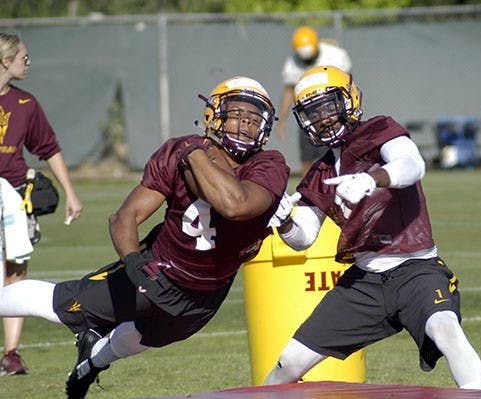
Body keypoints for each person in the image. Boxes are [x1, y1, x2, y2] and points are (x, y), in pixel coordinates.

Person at [0, 76, 290, 398]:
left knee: (140, 338)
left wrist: (193, 152)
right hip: (160, 271)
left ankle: (91, 363)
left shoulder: (268, 164)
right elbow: (125, 217)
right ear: (215, 115)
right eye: (238, 114)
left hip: (207, 294)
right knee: (61, 305)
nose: (246, 125)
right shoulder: (177, 153)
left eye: (254, 119)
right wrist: (134, 261)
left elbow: (234, 205)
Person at [265, 66, 481, 390]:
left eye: (328, 106)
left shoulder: (379, 130)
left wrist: (371, 178)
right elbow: (304, 237)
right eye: (313, 112)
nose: (323, 118)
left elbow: (413, 165)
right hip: (365, 281)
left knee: (446, 330)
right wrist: (283, 220)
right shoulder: (321, 171)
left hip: (417, 270)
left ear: (349, 100)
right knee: (290, 362)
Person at [0, 32, 83, 376]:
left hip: (15, 196)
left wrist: (71, 193)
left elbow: (47, 148)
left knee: (16, 271)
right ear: (4, 60)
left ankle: (12, 353)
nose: (28, 62)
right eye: (23, 57)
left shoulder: (25, 104)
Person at [277, 26, 352, 177]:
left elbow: (349, 83)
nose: (307, 61)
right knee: (308, 158)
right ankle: (308, 192)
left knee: (341, 152)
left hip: (334, 110)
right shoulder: (293, 62)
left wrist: (349, 109)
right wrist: (282, 120)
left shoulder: (335, 56)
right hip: (310, 113)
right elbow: (289, 91)